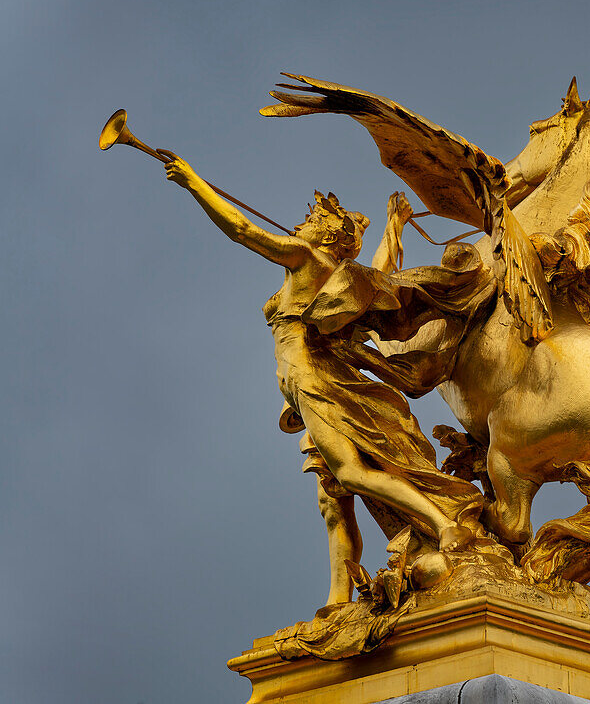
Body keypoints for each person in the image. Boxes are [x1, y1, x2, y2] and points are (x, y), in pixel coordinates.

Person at [162, 155, 483, 603]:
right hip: (305, 385)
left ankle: (441, 523)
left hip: (309, 376)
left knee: (350, 473)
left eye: (311, 220)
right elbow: (379, 274)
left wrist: (193, 181)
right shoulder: (337, 276)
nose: (301, 224)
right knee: (333, 500)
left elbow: (243, 231)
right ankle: (337, 600)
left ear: (329, 236)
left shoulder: (306, 257)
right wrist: (395, 227)